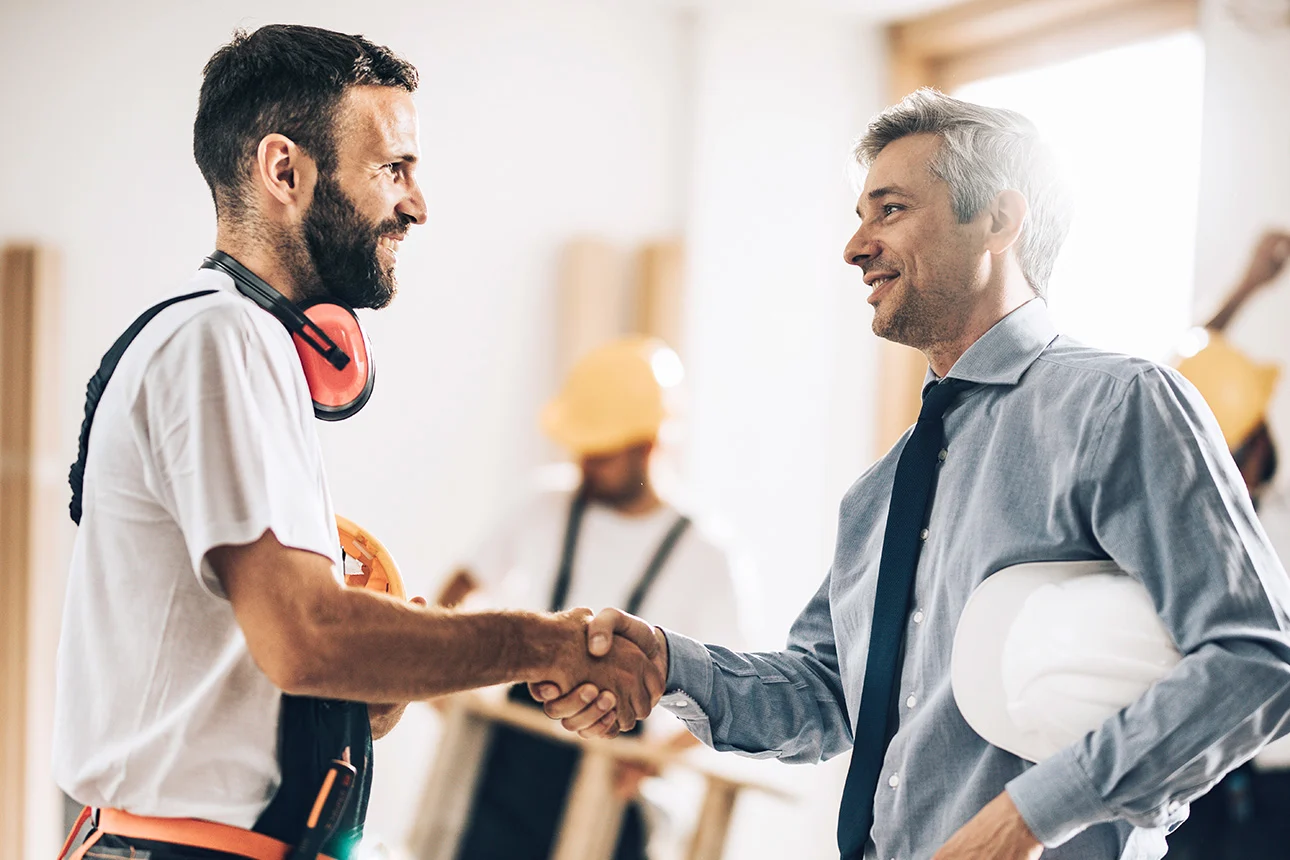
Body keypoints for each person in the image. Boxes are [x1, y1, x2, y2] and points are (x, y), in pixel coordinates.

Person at [534, 90, 1290, 860]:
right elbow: (829, 695)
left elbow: (1257, 659)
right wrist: (667, 662)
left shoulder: (1118, 406)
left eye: (888, 210)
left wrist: (1021, 820)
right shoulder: (884, 489)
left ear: (998, 220)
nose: (854, 247)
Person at [52, 24, 661, 860]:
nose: (416, 203)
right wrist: (546, 643)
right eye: (393, 169)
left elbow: (278, 658)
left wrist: (360, 686)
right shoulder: (220, 338)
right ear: (285, 171)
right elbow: (307, 638)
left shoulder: (245, 343)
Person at [440, 336, 750, 860]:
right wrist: (455, 686)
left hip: (609, 796)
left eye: (602, 454)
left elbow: (734, 692)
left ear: (649, 445)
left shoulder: (705, 553)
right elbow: (455, 594)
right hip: (507, 771)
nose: (585, 465)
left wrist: (655, 758)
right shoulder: (543, 504)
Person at [1167, 227, 1290, 860]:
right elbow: (1177, 385)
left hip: (1258, 776)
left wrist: (1244, 291)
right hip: (1214, 778)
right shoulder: (1192, 534)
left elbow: (1183, 379)